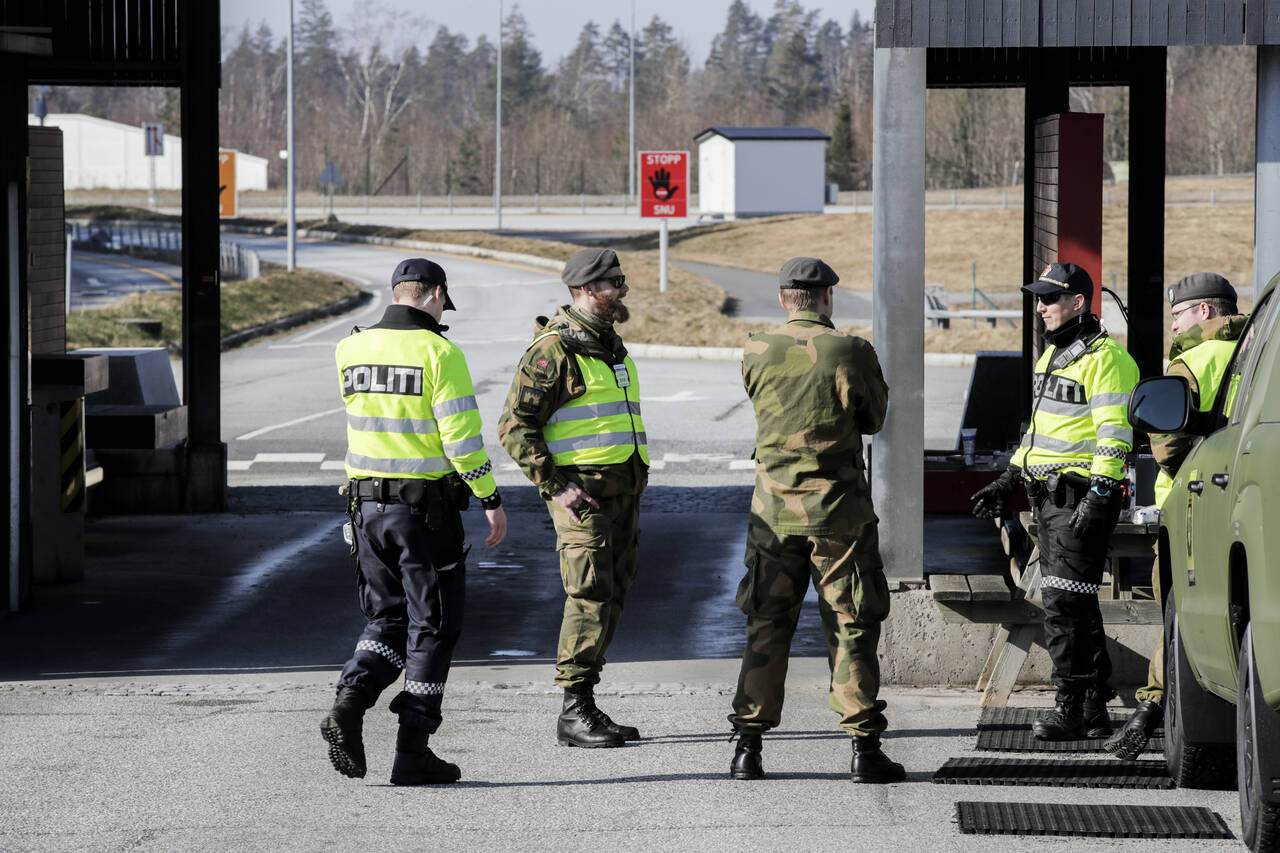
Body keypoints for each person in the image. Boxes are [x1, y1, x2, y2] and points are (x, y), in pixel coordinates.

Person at [322, 257, 508, 785]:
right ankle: (413, 751)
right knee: (434, 625)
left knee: (386, 620)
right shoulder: (439, 352)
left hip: (364, 511)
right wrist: (489, 497)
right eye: (443, 302)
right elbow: (461, 438)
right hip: (422, 512)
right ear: (433, 295)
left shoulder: (349, 348)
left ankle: (349, 704)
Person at [726, 257, 903, 784]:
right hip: (838, 515)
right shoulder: (851, 351)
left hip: (772, 513)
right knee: (850, 624)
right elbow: (874, 418)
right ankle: (864, 749)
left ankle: (747, 747)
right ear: (827, 297)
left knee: (766, 624)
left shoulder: (756, 347)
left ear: (784, 299)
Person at [971, 261, 1140, 740]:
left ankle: (1069, 706)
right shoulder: (1055, 355)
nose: (1040, 306)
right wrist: (1008, 479)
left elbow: (1114, 433)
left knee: (1063, 605)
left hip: (1080, 497)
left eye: (1049, 298)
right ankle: (1093, 705)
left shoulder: (1106, 358)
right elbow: (1039, 431)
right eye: (1038, 298)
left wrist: (1101, 495)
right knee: (1077, 604)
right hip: (1048, 500)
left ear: (1079, 302)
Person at [497, 247, 648, 749]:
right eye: (615, 284)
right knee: (587, 598)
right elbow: (515, 427)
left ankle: (586, 701)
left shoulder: (608, 345)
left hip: (622, 497)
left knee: (612, 597)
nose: (623, 290)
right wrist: (557, 487)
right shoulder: (554, 351)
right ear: (587, 290)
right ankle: (573, 709)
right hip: (584, 500)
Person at [1104, 272, 1247, 760]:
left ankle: (1154, 708)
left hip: (1191, 505)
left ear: (1204, 311)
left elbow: (1166, 447)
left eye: (1178, 315)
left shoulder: (1193, 360)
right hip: (1250, 505)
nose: (1175, 326)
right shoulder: (1258, 353)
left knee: (1181, 612)